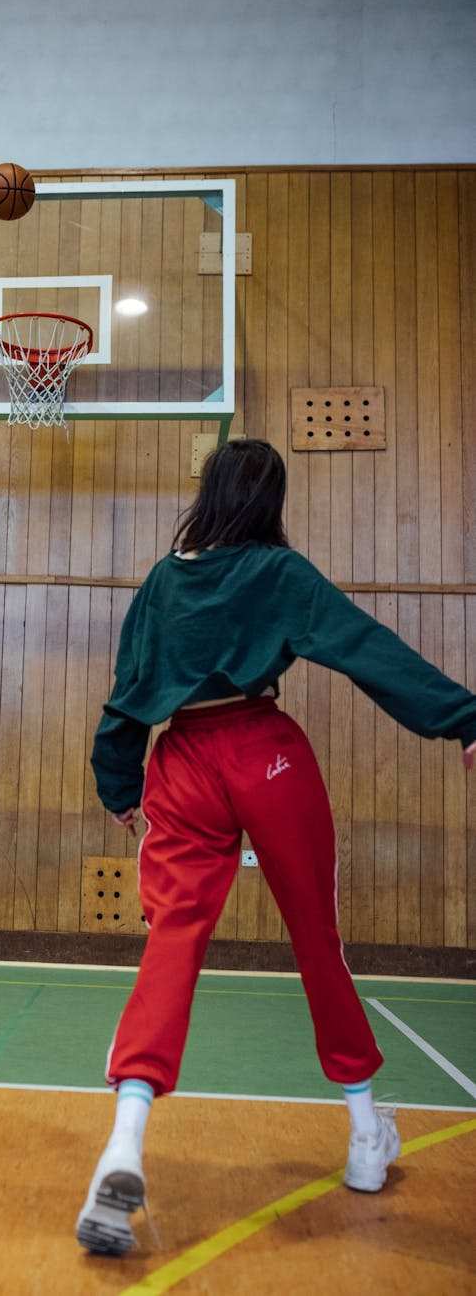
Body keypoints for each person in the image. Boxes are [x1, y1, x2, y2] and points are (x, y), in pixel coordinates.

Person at [77, 439, 476, 1255]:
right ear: (271, 500)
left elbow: (126, 692)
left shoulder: (162, 581)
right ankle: (364, 1137)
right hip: (266, 752)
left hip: (181, 761)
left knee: (171, 943)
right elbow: (366, 648)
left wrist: (118, 785)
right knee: (316, 940)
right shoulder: (278, 572)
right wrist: (462, 716)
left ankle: (123, 1143)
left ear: (207, 493)